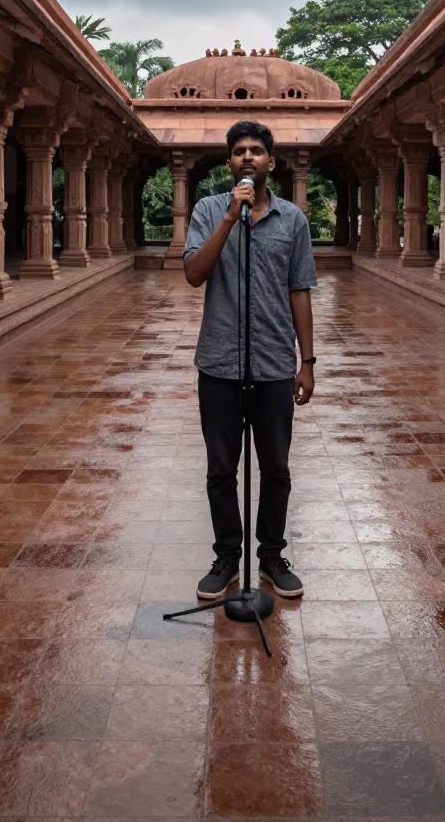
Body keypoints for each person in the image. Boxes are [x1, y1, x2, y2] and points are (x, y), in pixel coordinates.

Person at [183, 119, 317, 600]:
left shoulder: (294, 221)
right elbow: (194, 274)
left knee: (275, 468)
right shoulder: (207, 210)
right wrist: (227, 219)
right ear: (228, 162)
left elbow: (300, 290)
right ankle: (225, 557)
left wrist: (308, 360)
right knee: (222, 468)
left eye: (256, 150)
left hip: (275, 364)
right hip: (219, 362)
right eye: (239, 150)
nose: (247, 157)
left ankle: (271, 556)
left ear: (271, 163)